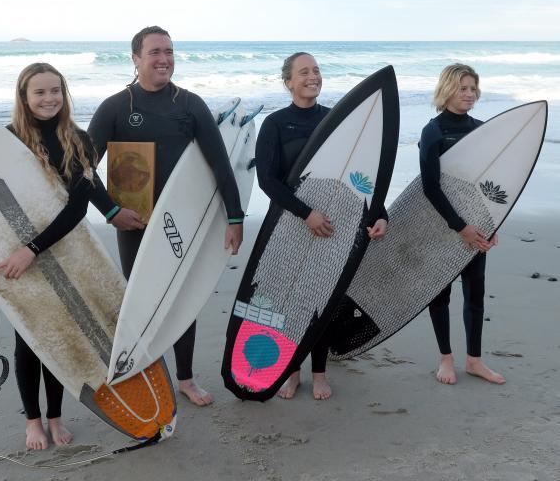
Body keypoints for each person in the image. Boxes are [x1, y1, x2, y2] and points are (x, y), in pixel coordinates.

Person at [88, 26, 244, 407]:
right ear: (136, 58)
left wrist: (235, 217)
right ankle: (147, 374)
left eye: (170, 52)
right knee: (140, 298)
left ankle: (186, 379)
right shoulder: (116, 107)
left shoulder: (189, 104)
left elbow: (220, 163)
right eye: (155, 52)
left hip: (181, 221)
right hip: (135, 223)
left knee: (180, 298)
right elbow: (83, 168)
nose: (164, 59)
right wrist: (110, 211)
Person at [0, 62, 97, 449]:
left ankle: (55, 417)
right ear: (24, 97)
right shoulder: (5, 141)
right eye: (40, 92)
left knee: (58, 336)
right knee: (29, 339)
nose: (49, 98)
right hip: (13, 255)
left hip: (62, 249)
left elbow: (77, 209)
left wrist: (32, 249)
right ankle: (32, 421)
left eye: (56, 90)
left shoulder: (81, 140)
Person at [255, 52, 388, 400]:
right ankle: (291, 369)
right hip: (289, 224)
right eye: (303, 72)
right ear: (288, 82)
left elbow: (363, 177)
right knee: (286, 298)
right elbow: (267, 181)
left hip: (334, 227)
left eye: (316, 71)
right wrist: (305, 213)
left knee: (324, 298)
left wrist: (380, 214)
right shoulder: (275, 124)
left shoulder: (337, 122)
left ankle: (318, 372)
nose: (312, 77)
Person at [419, 63, 505, 385]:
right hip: (442, 224)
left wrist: (492, 223)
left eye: (472, 88)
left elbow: (490, 184)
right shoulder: (433, 131)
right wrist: (460, 227)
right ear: (447, 90)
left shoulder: (482, 129)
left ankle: (474, 361)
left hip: (475, 224)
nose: (469, 94)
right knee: (440, 294)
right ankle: (446, 359)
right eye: (462, 88)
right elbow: (431, 187)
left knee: (475, 293)